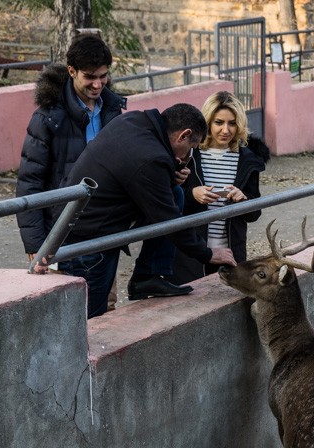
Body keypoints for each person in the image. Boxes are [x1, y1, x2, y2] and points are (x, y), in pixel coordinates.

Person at [48, 103, 235, 318]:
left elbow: (139, 174)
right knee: (90, 319)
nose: (187, 156)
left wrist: (172, 171)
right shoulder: (150, 158)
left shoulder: (135, 122)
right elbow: (170, 220)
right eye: (191, 147)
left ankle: (149, 275)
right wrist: (208, 253)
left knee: (176, 193)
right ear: (184, 135)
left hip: (84, 224)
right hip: (87, 241)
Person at [15, 33, 126, 262]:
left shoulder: (113, 112)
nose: (98, 84)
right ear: (71, 71)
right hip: (62, 232)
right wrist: (36, 244)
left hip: (104, 226)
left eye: (103, 76)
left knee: (107, 298)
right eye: (90, 77)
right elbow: (29, 183)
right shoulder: (47, 118)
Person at [173, 90, 270, 285]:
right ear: (207, 121)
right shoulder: (189, 154)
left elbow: (254, 214)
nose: (226, 130)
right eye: (219, 122)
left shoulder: (248, 160)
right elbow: (169, 201)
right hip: (190, 253)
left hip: (230, 254)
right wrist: (192, 194)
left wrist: (243, 200)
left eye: (232, 123)